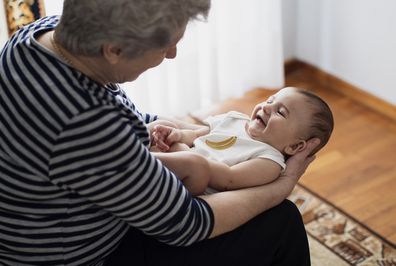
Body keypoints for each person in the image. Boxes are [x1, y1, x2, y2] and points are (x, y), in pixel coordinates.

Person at [0, 0, 319, 265]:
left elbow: (118, 119)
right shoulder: (85, 122)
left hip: (33, 226)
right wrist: (284, 185)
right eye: (167, 45)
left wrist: (173, 131)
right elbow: (188, 224)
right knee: (282, 221)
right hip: (79, 256)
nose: (172, 55)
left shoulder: (37, 36)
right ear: (114, 49)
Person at [150, 87, 334, 195]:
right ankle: (146, 161)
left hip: (196, 185)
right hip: (184, 158)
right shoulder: (235, 119)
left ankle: (146, 161)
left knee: (193, 163)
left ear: (295, 146)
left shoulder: (269, 161)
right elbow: (200, 134)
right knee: (163, 124)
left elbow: (229, 179)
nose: (267, 107)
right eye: (270, 100)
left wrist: (188, 156)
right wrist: (179, 136)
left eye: (280, 112)